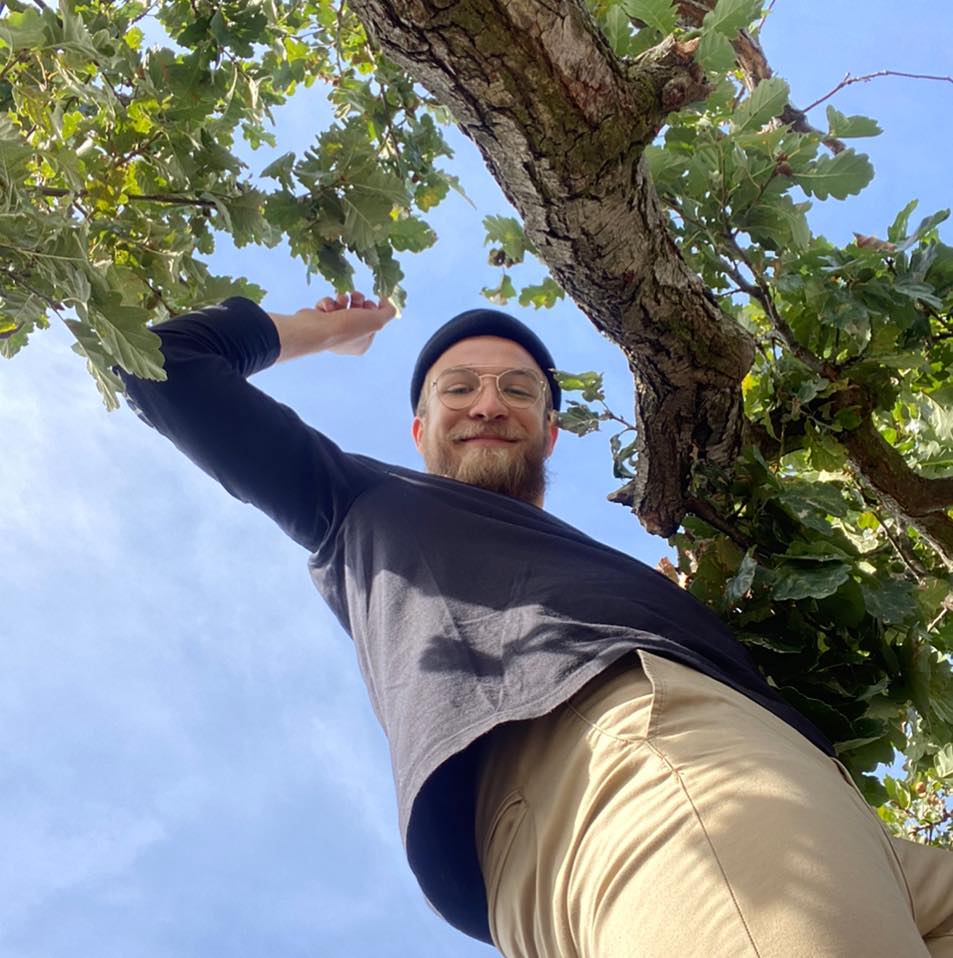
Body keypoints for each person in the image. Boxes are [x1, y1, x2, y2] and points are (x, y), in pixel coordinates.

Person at [115, 290, 953, 957]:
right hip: (630, 766)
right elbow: (163, 361)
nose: (488, 403)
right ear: (419, 428)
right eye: (458, 388)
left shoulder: (596, 560)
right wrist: (330, 331)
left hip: (819, 808)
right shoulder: (362, 502)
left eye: (517, 391)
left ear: (549, 433)